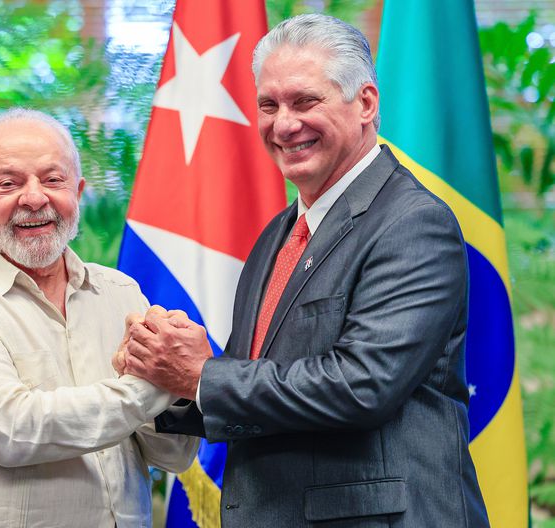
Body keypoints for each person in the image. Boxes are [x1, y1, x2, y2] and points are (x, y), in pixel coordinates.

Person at [117, 14, 490, 527]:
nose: (284, 123)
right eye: (268, 105)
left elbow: (362, 385)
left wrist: (203, 374)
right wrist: (163, 379)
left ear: (365, 103)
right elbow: (260, 385)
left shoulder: (413, 222)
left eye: (305, 101)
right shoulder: (278, 234)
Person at [0, 108, 199, 527]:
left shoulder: (121, 293)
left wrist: (181, 389)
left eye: (53, 180)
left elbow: (172, 456)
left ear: (78, 191)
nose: (35, 198)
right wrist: (163, 383)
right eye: (8, 183)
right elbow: (11, 431)